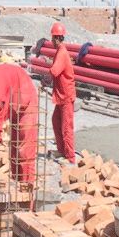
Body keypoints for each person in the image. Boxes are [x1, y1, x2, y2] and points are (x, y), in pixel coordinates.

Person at [47, 22, 76, 164]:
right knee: (56, 121)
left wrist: (45, 77)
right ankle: (62, 150)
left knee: (66, 127)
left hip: (66, 95)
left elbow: (55, 70)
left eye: (53, 38)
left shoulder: (62, 52)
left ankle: (70, 157)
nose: (51, 41)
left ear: (57, 38)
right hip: (61, 95)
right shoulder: (60, 51)